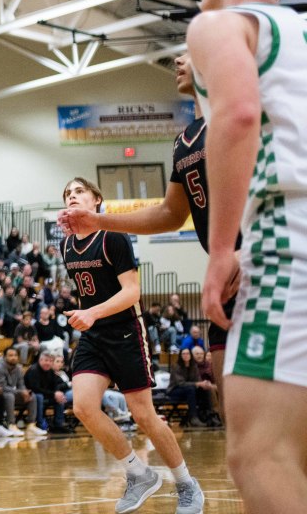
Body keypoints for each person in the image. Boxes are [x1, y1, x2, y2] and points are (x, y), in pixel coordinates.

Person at [186, 0, 307, 514]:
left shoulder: (219, 24)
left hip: (292, 242)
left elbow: (238, 116)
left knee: (259, 454)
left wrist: (222, 247)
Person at [59, 52, 240, 413]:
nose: (178, 59)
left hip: (263, 264)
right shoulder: (183, 140)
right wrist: (99, 221)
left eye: (192, 52)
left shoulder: (240, 118)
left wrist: (245, 251)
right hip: (225, 280)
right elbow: (170, 214)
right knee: (231, 411)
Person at [60, 177, 204, 514]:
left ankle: (186, 483)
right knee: (82, 406)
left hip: (126, 332)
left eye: (79, 191)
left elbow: (131, 293)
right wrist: (86, 315)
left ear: (97, 199)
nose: (72, 196)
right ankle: (138, 473)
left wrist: (91, 312)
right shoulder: (67, 245)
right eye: (67, 193)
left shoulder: (113, 237)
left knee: (143, 415)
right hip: (95, 335)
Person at [24, 350, 71, 433]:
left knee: (60, 398)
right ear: (40, 360)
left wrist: (57, 393)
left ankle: (58, 425)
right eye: (46, 360)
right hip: (32, 397)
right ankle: (40, 423)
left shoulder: (50, 371)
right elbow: (35, 389)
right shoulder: (33, 370)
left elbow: (55, 385)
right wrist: (54, 394)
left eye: (50, 361)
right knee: (39, 397)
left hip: (46, 395)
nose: (48, 363)